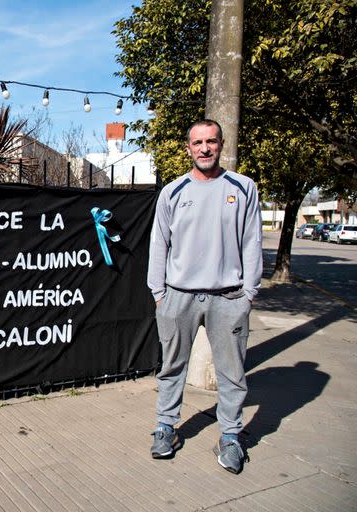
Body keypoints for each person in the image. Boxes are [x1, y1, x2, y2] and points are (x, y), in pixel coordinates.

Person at [146, 119, 262, 474]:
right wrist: (159, 294)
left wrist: (249, 294)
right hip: (177, 297)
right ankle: (166, 428)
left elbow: (252, 243)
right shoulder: (173, 191)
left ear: (221, 144)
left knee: (232, 374)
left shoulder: (243, 188)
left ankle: (230, 437)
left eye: (211, 141)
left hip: (228, 298)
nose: (205, 148)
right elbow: (158, 245)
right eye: (198, 142)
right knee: (172, 368)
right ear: (188, 148)